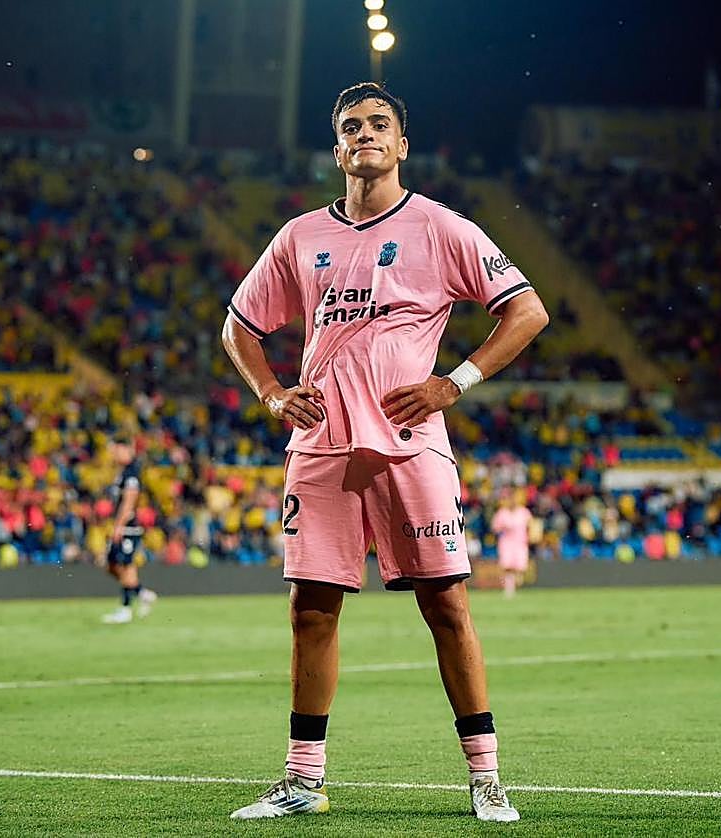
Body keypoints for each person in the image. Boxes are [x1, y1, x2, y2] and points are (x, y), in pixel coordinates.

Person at [222, 82, 548, 822]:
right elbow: (238, 327)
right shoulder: (301, 236)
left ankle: (486, 777)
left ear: (402, 144)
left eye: (378, 125)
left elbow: (527, 310)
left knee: (448, 606)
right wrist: (273, 394)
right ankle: (303, 780)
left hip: (409, 446)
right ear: (336, 149)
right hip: (321, 447)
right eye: (350, 127)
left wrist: (454, 382)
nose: (364, 134)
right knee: (312, 610)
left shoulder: (438, 226)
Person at [101, 436, 157, 624]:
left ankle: (125, 609)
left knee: (125, 567)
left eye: (119, 450)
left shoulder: (132, 473)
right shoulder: (122, 472)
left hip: (129, 528)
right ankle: (141, 593)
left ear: (129, 450)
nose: (116, 454)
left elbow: (129, 501)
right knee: (112, 565)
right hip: (122, 526)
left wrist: (119, 526)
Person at [490, 488, 533, 598]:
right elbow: (494, 528)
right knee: (507, 567)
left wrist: (530, 537)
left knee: (520, 568)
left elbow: (530, 525)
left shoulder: (524, 512)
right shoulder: (502, 513)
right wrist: (502, 527)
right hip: (506, 543)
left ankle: (515, 584)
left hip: (520, 542)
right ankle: (509, 590)